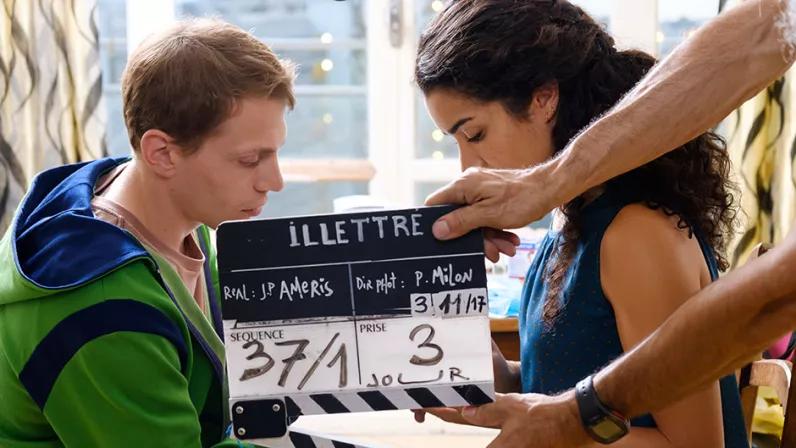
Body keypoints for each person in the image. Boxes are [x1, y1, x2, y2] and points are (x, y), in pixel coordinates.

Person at [420, 0, 796, 447]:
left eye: (475, 134)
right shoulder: (569, 221)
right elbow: (580, 381)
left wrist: (558, 425)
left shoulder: (635, 234)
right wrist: (501, 380)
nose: (467, 166)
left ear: (544, 99)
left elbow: (694, 443)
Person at [0, 18, 293, 447]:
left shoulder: (178, 214)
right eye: (249, 160)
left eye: (276, 153)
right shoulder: (103, 311)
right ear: (161, 153)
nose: (275, 181)